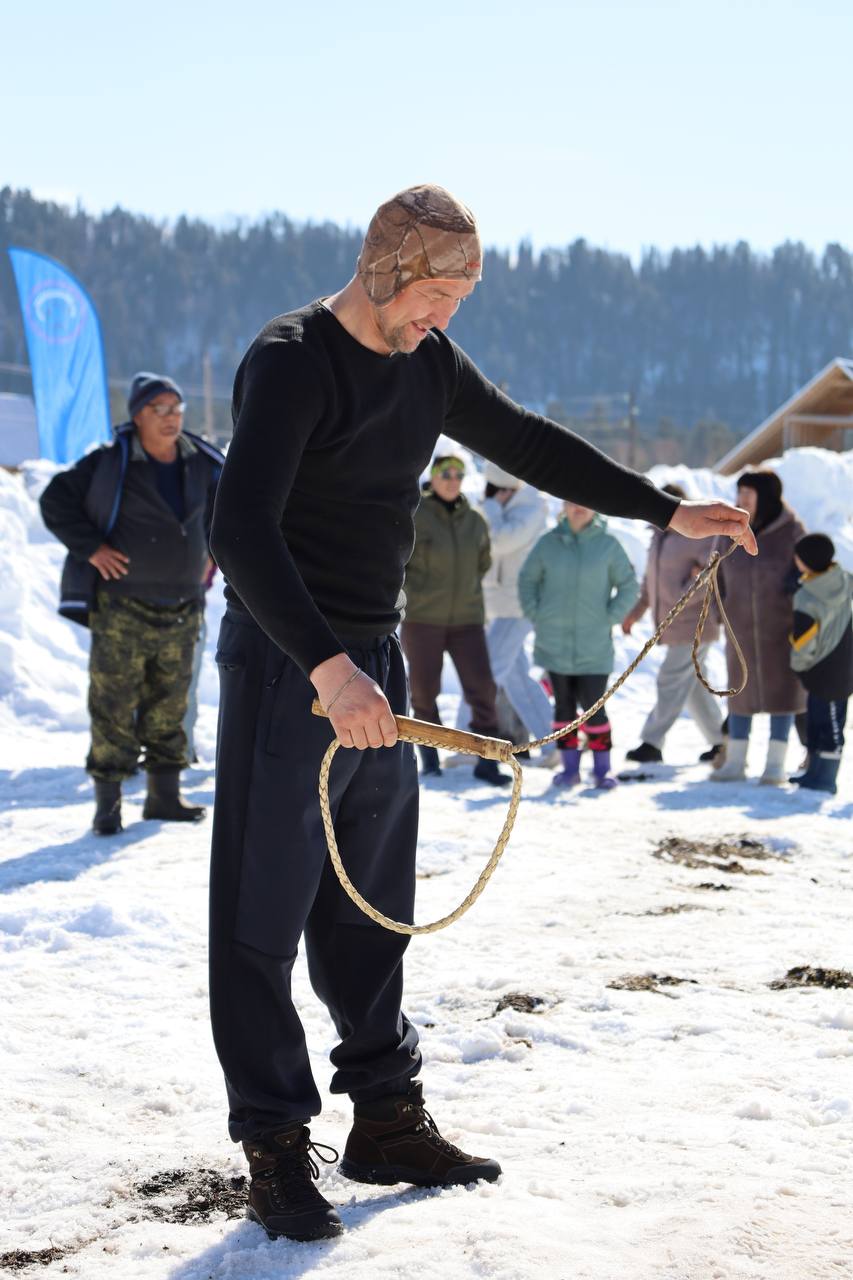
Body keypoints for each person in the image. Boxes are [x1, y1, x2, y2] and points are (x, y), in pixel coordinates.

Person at [207, 183, 756, 1244]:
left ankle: (386, 1115)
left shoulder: (428, 366)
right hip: (291, 666)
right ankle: (274, 1144)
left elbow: (530, 442)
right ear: (386, 268)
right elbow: (240, 528)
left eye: (459, 297)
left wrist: (661, 504)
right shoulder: (293, 358)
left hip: (372, 655)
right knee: (260, 912)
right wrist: (325, 667)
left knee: (372, 904)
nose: (445, 316)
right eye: (437, 292)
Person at [39, 372, 223, 834]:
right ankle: (109, 802)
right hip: (122, 606)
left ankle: (164, 798)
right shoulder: (109, 463)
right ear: (137, 415)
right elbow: (55, 500)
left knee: (170, 704)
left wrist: (214, 559)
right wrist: (91, 547)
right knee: (113, 704)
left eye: (176, 409)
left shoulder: (202, 462)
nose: (171, 418)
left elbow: (229, 515)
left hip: (183, 605)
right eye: (159, 409)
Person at [400, 454, 508, 785]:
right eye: (444, 473)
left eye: (457, 474)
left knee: (483, 689)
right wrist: (417, 591)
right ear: (433, 477)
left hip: (467, 619)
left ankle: (488, 762)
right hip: (423, 618)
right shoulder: (416, 515)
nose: (451, 479)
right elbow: (398, 560)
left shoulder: (475, 520)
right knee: (423, 691)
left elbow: (483, 562)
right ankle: (429, 758)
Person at [518, 502, 639, 789]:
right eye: (572, 502)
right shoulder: (548, 543)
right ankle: (569, 769)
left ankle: (602, 770)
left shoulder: (608, 545)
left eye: (584, 503)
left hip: (594, 646)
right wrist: (538, 614)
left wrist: (609, 617)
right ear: (563, 507)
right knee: (563, 708)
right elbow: (527, 580)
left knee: (594, 708)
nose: (578, 508)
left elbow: (629, 585)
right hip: (554, 644)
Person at [712, 469, 805, 784]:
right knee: (740, 693)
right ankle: (736, 762)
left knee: (783, 694)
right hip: (739, 629)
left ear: (766, 497)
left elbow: (808, 572)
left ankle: (775, 765)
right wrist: (717, 613)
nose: (741, 501)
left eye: (748, 494)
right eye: (739, 493)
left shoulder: (791, 532)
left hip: (781, 629)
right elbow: (716, 577)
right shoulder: (729, 530)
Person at [622, 483, 725, 765]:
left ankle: (652, 741)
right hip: (673, 624)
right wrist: (636, 612)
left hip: (695, 624)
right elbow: (651, 581)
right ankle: (720, 740)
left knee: (670, 680)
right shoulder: (658, 536)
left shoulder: (696, 536)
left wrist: (690, 584)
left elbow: (709, 574)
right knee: (689, 687)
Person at [473, 461, 554, 759]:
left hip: (518, 603)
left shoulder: (532, 506)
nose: (497, 495)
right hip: (499, 602)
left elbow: (498, 540)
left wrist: (492, 507)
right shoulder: (503, 503)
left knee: (484, 671)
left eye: (500, 490)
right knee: (517, 679)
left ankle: (464, 742)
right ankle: (555, 743)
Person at [788, 533, 852, 795]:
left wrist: (798, 666)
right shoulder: (846, 581)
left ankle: (825, 779)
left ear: (806, 562)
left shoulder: (806, 597)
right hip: (844, 665)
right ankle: (814, 774)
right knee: (829, 722)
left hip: (819, 669)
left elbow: (804, 642)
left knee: (824, 725)